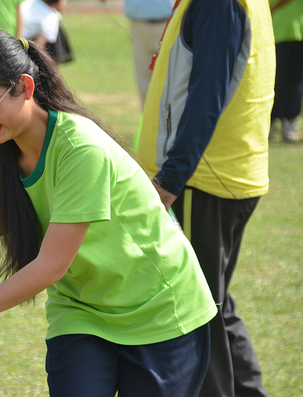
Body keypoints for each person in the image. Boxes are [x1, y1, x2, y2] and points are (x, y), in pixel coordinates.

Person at [0, 31, 218, 397]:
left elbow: (51, 266)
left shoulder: (81, 149)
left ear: (24, 86)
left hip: (160, 311)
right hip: (82, 312)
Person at [137, 0, 274, 396]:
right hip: (220, 175)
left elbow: (208, 92)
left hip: (203, 179)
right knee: (216, 307)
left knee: (198, 315)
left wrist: (171, 178)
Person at [269, 0, 303, 143]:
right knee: (276, 81)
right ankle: (269, 122)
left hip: (299, 32)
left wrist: (274, 8)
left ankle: (289, 123)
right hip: (277, 32)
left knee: (296, 82)